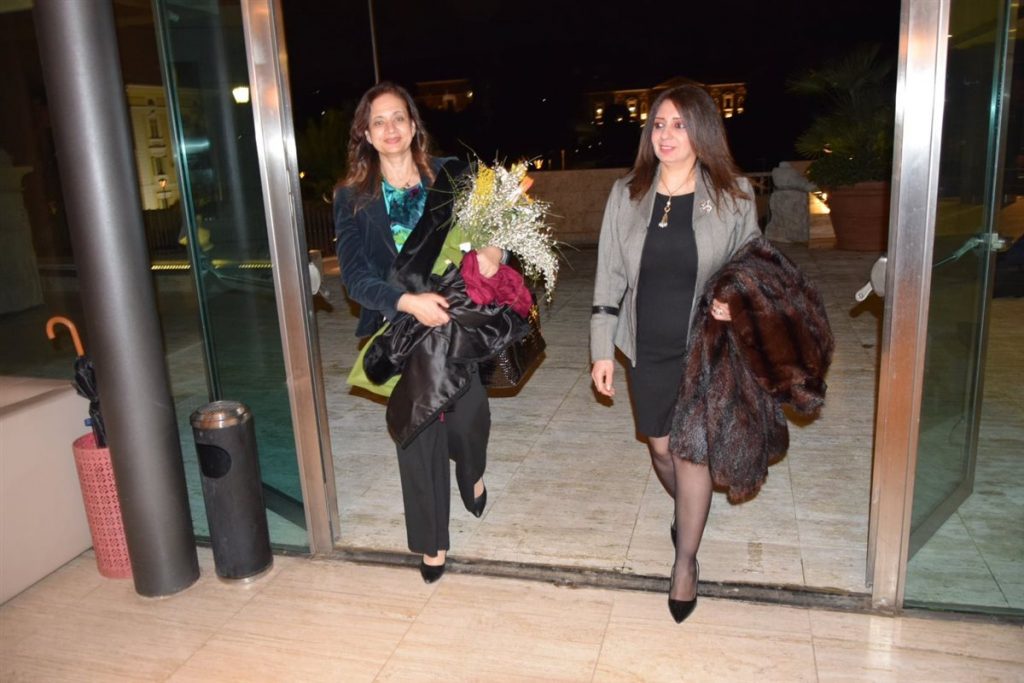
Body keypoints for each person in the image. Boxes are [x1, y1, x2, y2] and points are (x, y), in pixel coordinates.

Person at [590, 85, 760, 622]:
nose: (665, 135)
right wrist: (601, 349)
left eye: (679, 125)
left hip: (705, 346)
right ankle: (688, 508)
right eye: (659, 124)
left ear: (702, 130)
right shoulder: (628, 194)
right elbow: (609, 275)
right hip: (647, 345)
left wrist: (737, 299)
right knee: (661, 449)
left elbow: (753, 266)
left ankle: (685, 561)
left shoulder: (734, 195)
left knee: (692, 454)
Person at [334, 82, 506, 583]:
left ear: (413, 125)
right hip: (400, 328)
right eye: (378, 121)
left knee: (469, 418)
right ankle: (431, 542)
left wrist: (493, 252)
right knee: (417, 429)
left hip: (457, 322)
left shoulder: (453, 175)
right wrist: (407, 302)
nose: (390, 128)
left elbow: (495, 227)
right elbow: (355, 276)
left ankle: (470, 470)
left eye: (398, 118)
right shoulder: (352, 198)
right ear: (366, 134)